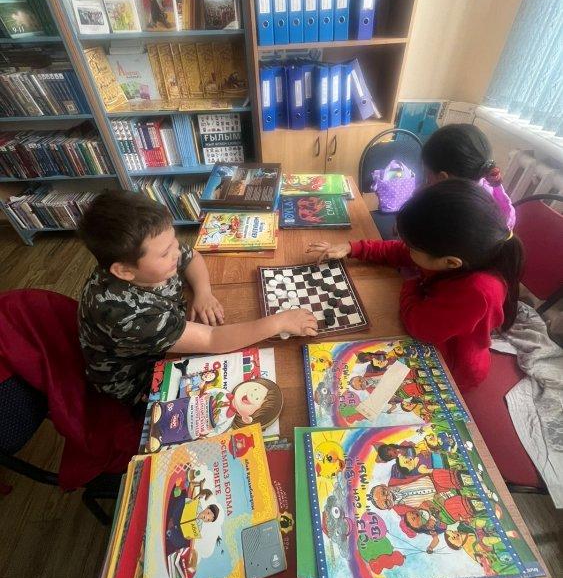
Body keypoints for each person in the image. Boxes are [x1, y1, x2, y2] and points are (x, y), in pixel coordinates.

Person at [78, 190, 317, 405]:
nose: (176, 252)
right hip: (141, 381)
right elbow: (213, 339)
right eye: (165, 253)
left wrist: (203, 293)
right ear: (124, 271)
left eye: (174, 241)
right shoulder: (126, 315)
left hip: (168, 332)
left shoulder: (154, 252)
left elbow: (192, 257)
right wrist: (279, 322)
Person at [307, 180, 523, 391]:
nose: (406, 250)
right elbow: (399, 252)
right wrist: (352, 248)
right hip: (436, 325)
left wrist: (411, 282)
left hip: (451, 368)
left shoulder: (478, 292)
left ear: (450, 262)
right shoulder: (458, 252)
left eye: (412, 248)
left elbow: (419, 326)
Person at [421, 123, 516, 229]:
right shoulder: (486, 183)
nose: (426, 180)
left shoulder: (455, 215)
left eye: (427, 175)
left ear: (442, 178)